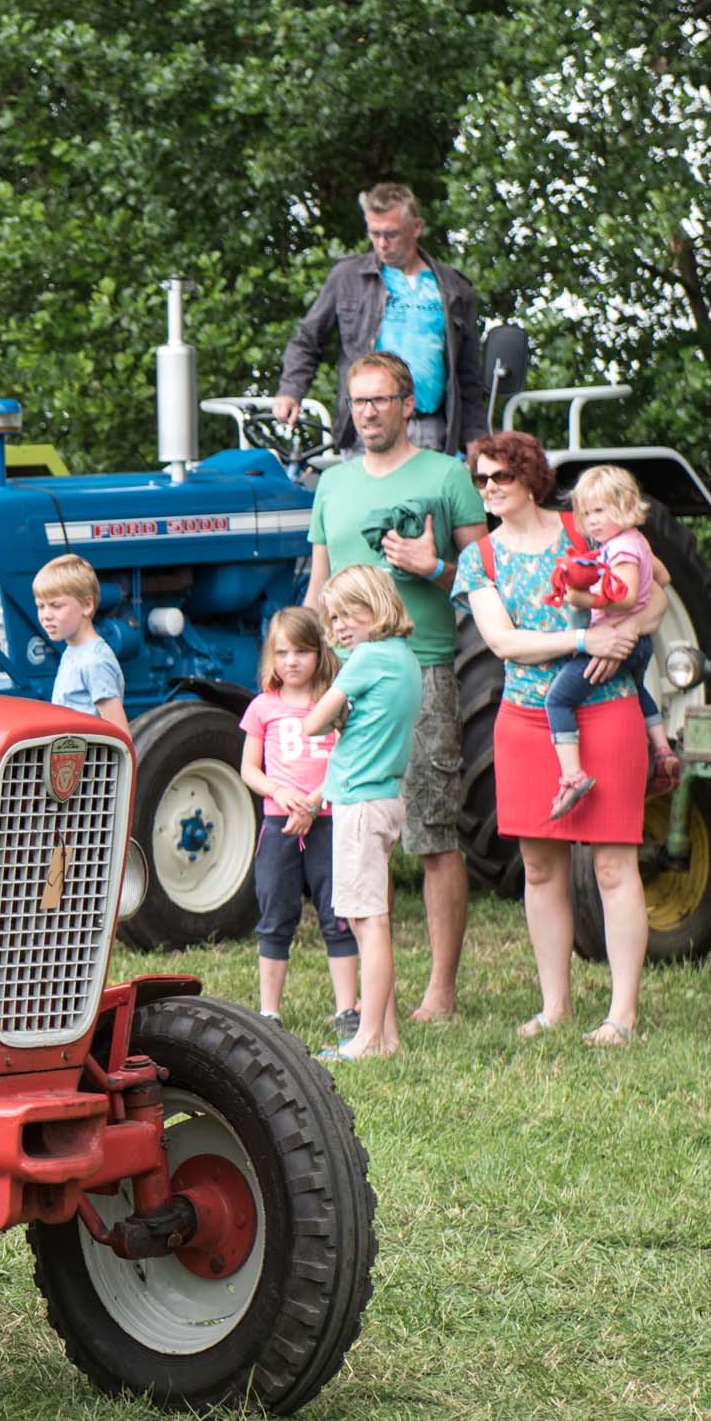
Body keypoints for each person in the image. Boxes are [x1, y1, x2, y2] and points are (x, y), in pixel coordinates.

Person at [455, 429, 664, 1045]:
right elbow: (502, 642)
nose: (489, 488)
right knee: (540, 869)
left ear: (530, 478)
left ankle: (622, 1013)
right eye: (481, 479)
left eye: (501, 476)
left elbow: (658, 589)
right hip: (525, 718)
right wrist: (584, 639)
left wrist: (627, 635)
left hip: (607, 709)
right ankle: (556, 1006)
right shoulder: (480, 557)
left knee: (614, 866)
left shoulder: (586, 528)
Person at [303, 349, 486, 1023]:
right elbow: (318, 585)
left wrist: (433, 566)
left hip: (422, 670)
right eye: (359, 401)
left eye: (381, 399)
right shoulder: (333, 484)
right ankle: (365, 995)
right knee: (356, 829)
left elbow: (490, 577)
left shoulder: (446, 475)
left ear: (409, 405)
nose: (368, 413)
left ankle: (440, 991)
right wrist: (301, 666)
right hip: (343, 676)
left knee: (432, 829)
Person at [298, 567, 422, 1061]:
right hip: (385, 796)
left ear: (377, 607)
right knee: (371, 917)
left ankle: (369, 1038)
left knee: (368, 923)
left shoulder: (367, 659)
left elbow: (312, 722)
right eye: (333, 617)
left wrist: (335, 708)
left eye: (350, 613)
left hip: (360, 802)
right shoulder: (404, 657)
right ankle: (385, 1034)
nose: (340, 625)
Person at [271, 181, 488, 455]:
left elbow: (468, 372)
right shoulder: (348, 277)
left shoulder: (453, 286)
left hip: (430, 425)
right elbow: (307, 339)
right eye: (375, 234)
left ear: (416, 227)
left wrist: (476, 434)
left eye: (392, 234)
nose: (382, 244)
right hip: (367, 423)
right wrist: (290, 391)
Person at [240, 606, 358, 1042]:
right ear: (271, 657)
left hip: (326, 821)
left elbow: (346, 757)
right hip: (279, 826)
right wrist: (278, 792)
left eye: (302, 652)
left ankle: (346, 1009)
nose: (291, 662)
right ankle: (269, 1012)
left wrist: (314, 799)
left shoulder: (332, 703)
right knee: (275, 913)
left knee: (337, 914)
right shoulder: (262, 707)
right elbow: (248, 769)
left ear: (319, 654)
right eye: (282, 652)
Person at [540, 464, 660, 817]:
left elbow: (625, 596)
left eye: (600, 511)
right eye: (586, 513)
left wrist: (584, 599)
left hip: (615, 638)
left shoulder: (622, 548)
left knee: (557, 699)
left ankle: (573, 776)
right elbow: (662, 577)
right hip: (638, 640)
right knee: (639, 689)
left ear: (626, 506)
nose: (591, 521)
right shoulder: (633, 542)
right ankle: (663, 748)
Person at [31, 557, 124, 720]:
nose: (46, 615)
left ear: (87, 605)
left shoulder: (95, 662)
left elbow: (117, 729)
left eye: (56, 606)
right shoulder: (73, 651)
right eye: (40, 606)